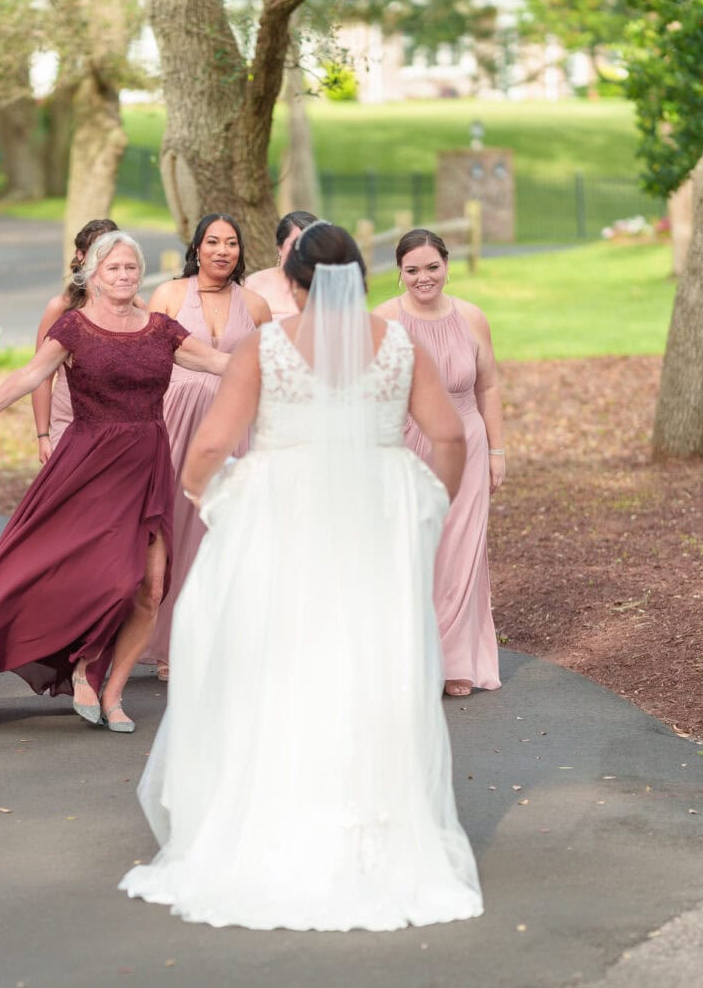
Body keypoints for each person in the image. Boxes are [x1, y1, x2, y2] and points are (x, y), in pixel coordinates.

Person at [120, 222, 483, 931]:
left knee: (278, 665)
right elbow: (449, 436)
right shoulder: (399, 348)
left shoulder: (267, 347)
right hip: (374, 527)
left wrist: (211, 496)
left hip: (280, 524)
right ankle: (373, 828)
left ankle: (272, 821)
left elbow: (213, 443)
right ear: (362, 276)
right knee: (365, 664)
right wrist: (429, 501)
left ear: (293, 281)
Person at [0, 232, 228, 734]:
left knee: (150, 589)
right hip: (90, 468)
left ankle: (112, 691)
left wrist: (287, 365)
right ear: (94, 276)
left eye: (131, 268)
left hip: (147, 465)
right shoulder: (76, 326)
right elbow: (30, 376)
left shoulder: (162, 330)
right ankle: (84, 664)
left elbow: (221, 363)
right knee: (109, 577)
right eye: (114, 269)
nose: (124, 277)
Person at [374, 229, 505, 696]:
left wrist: (496, 450)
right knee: (410, 548)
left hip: (466, 442)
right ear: (400, 273)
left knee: (461, 548)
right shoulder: (383, 320)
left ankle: (455, 663)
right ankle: (409, 656)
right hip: (406, 443)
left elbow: (487, 386)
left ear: (446, 265)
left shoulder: (472, 317)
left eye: (432, 267)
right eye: (412, 270)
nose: (423, 278)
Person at [142, 213, 271, 679]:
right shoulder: (169, 295)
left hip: (236, 423)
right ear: (196, 248)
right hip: (176, 419)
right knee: (173, 524)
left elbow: (265, 370)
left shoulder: (255, 305)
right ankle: (169, 645)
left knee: (225, 528)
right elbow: (149, 358)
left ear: (240, 251)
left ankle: (224, 640)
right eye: (212, 242)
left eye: (231, 243)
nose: (222, 251)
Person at [28, 218, 124, 465]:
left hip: (120, 423)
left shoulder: (136, 309)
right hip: (70, 420)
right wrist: (42, 435)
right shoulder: (60, 308)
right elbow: (40, 376)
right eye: (96, 252)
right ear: (80, 256)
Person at [244, 210, 318, 322]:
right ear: (280, 247)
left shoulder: (325, 285)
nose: (303, 251)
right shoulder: (253, 285)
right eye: (295, 243)